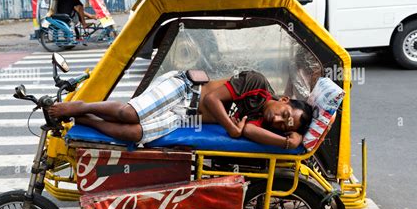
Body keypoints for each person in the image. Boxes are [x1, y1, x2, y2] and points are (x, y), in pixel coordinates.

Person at [49, 70, 313, 149]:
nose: (278, 119)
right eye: (285, 115)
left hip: (184, 118)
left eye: (283, 125)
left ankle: (87, 119)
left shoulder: (257, 121)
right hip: (185, 89)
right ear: (285, 99)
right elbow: (212, 101)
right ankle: (82, 105)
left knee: (133, 133)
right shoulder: (257, 84)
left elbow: (252, 135)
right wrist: (232, 127)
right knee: (130, 114)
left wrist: (290, 141)